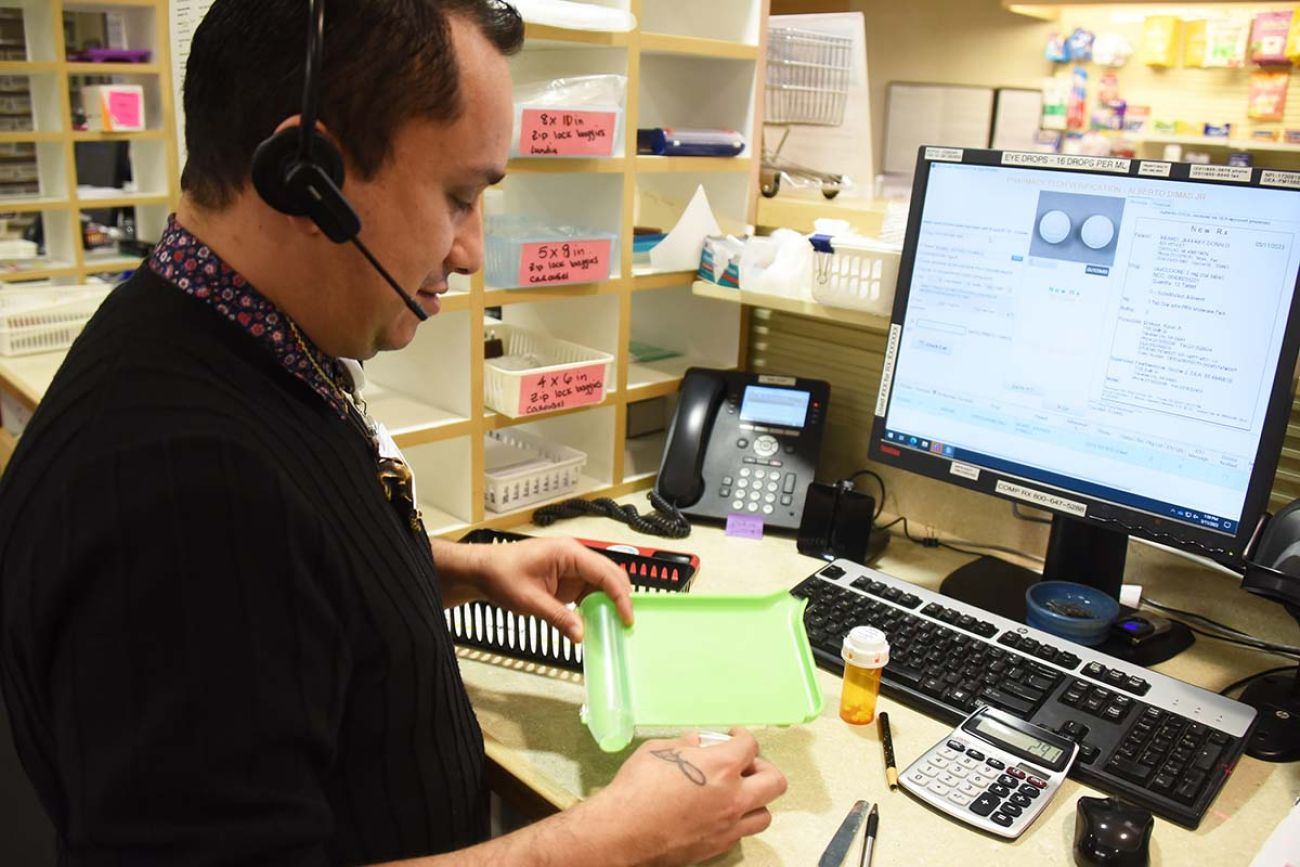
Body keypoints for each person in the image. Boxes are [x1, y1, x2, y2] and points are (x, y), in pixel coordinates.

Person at [0, 1, 787, 865]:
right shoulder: (183, 485)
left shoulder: (212, 331)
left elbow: (281, 591)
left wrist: (459, 569)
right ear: (308, 176)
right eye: (459, 196)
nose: (472, 250)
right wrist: (611, 838)